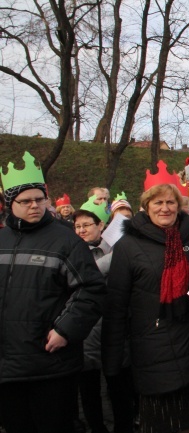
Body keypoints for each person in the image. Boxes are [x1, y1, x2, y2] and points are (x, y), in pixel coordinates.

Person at [102, 161, 189, 433]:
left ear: (179, 205)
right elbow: (116, 306)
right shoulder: (128, 246)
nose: (165, 208)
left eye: (170, 202)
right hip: (151, 353)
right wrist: (113, 360)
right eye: (158, 202)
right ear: (145, 206)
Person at [0, 151, 106, 433]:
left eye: (39, 199)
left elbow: (92, 289)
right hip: (7, 364)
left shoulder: (66, 241)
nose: (35, 206)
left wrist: (65, 330)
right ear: (11, 204)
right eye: (26, 201)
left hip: (51, 363)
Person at [73, 198, 113, 433]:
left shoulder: (117, 248)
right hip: (85, 331)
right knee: (88, 389)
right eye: (77, 227)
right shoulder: (71, 251)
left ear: (101, 226)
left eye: (86, 225)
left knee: (117, 386)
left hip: (112, 326)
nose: (81, 230)